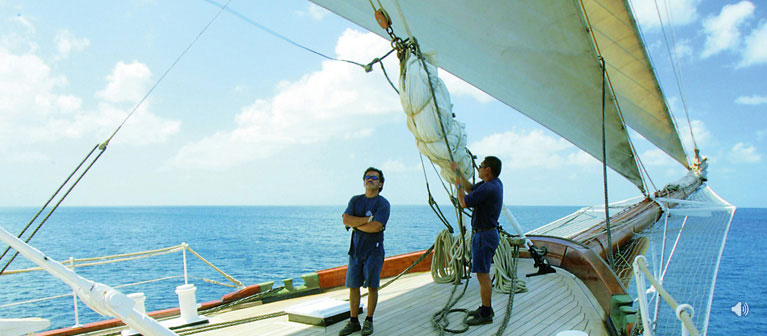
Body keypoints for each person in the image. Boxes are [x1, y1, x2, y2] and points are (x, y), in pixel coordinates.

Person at [339, 167, 391, 336]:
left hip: (373, 252)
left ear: (380, 183)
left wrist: (356, 224)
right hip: (355, 251)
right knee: (353, 286)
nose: (370, 180)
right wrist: (367, 220)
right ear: (363, 181)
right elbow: (345, 219)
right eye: (367, 177)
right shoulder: (355, 200)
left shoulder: (383, 204)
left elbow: (376, 227)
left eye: (374, 178)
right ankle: (354, 321)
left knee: (372, 286)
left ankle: (369, 320)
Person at [452, 156, 503, 326]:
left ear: (487, 170)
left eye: (480, 166)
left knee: (483, 275)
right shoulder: (492, 184)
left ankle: (486, 312)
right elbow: (470, 189)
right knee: (483, 274)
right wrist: (458, 173)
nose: (478, 169)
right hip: (486, 234)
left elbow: (464, 202)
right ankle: (485, 307)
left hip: (484, 236)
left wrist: (457, 185)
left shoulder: (489, 188)